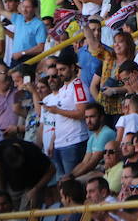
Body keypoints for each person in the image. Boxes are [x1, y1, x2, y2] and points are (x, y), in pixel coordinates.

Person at [42, 46, 89, 178]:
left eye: (63, 69)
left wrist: (57, 110)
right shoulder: (63, 89)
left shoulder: (78, 86)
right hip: (60, 143)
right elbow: (59, 120)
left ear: (73, 67)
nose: (59, 73)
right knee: (61, 185)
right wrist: (52, 141)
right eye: (58, 70)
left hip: (74, 141)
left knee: (72, 183)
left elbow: (81, 113)